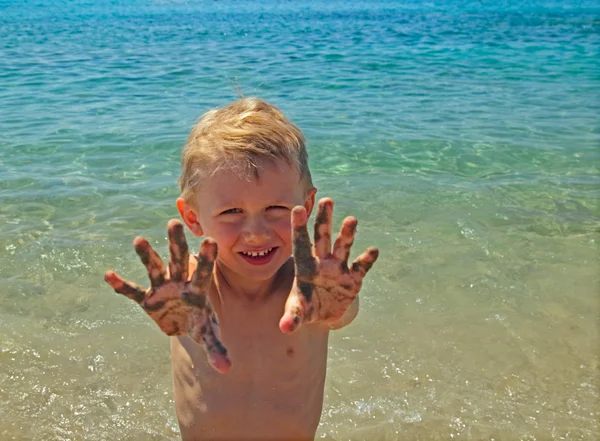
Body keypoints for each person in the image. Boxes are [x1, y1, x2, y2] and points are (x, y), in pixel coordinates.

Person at [104, 97, 379, 441]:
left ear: (305, 206)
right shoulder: (193, 290)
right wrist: (175, 317)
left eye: (276, 207)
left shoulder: (309, 288)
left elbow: (341, 312)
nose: (256, 232)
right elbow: (178, 309)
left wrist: (339, 306)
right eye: (232, 212)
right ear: (193, 218)